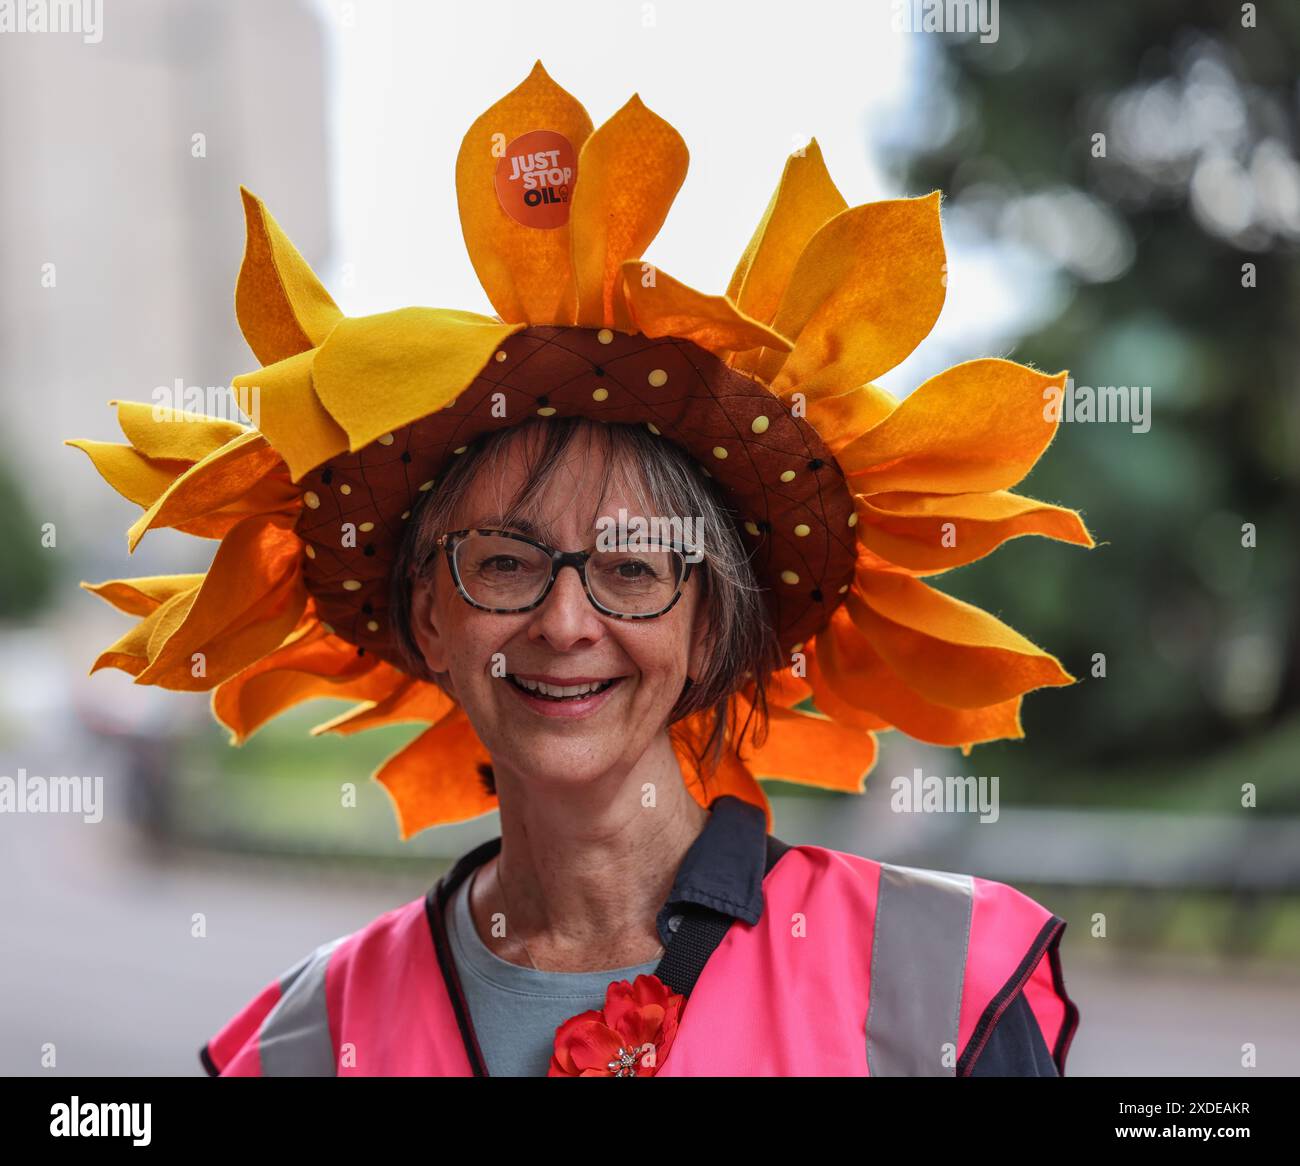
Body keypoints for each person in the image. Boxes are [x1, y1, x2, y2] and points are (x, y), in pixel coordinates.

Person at [68, 60, 1091, 1077]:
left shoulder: (935, 981)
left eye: (635, 568)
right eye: (504, 563)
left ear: (708, 622)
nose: (564, 621)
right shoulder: (298, 1047)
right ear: (427, 615)